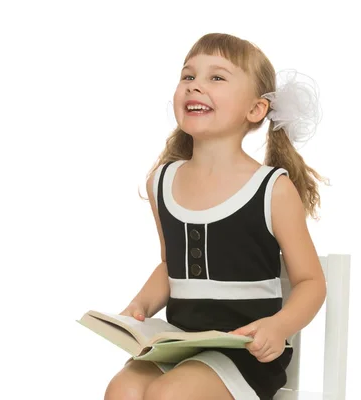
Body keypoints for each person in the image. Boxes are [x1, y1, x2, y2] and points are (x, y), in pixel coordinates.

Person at [104, 33, 329, 400]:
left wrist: (279, 326)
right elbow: (170, 265)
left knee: (171, 393)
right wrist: (140, 306)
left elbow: (310, 282)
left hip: (246, 353)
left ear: (255, 110)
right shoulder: (161, 180)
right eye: (188, 76)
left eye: (217, 78)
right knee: (123, 388)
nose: (196, 87)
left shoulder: (272, 189)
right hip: (180, 344)